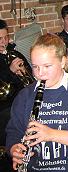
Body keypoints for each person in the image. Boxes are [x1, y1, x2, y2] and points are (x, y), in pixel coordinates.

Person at [6, 33, 68, 171]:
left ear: (62, 61)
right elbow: (14, 132)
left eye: (47, 66)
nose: (40, 73)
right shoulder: (25, 96)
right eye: (35, 67)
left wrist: (52, 134)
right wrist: (14, 149)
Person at [0, 20, 31, 170]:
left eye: (5, 37)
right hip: (4, 107)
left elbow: (31, 78)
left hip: (22, 101)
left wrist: (25, 72)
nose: (3, 42)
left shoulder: (15, 54)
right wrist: (10, 72)